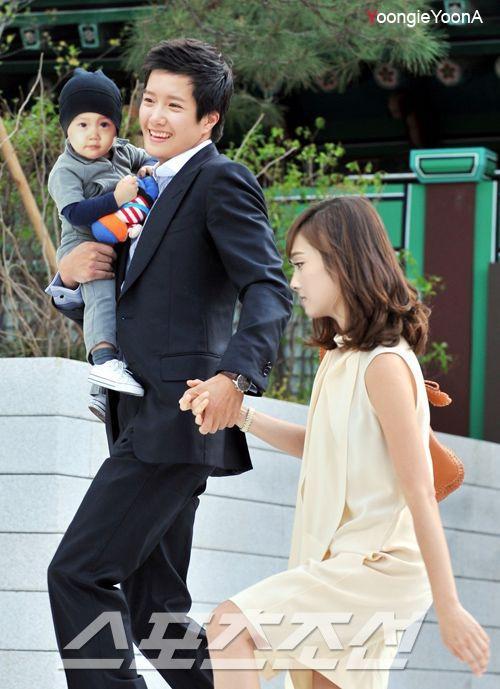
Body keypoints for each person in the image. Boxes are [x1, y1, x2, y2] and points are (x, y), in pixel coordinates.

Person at [45, 38, 293, 689]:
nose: (154, 116)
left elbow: (268, 287)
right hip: (140, 418)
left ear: (209, 118)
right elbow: (133, 311)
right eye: (149, 100)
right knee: (155, 609)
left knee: (77, 572)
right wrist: (68, 278)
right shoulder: (138, 188)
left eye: (174, 105)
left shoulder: (220, 179)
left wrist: (235, 376)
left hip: (178, 416)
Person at [181, 196, 490, 689]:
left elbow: (420, 490)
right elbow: (322, 446)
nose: (294, 281)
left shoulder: (385, 364)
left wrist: (448, 605)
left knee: (229, 628)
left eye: (302, 265)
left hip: (377, 566)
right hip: (338, 560)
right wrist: (242, 415)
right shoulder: (341, 357)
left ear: (342, 263)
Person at [47, 67, 159, 419]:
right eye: (82, 124)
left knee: (122, 304)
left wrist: (148, 168)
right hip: (83, 243)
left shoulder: (123, 152)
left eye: (104, 124)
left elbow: (150, 159)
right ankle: (104, 359)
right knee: (100, 295)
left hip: (120, 237)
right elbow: (75, 213)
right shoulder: (66, 170)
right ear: (67, 127)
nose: (93, 134)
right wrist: (115, 198)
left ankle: (101, 393)